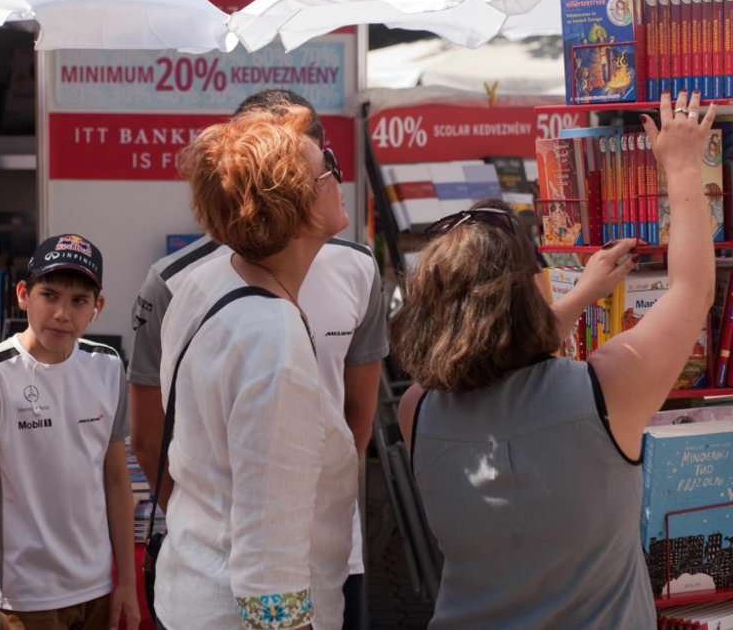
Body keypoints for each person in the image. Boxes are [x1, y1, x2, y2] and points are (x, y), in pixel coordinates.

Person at [392, 90, 716, 629]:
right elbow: (692, 288)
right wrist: (682, 165)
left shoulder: (417, 411)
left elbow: (491, 357)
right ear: (529, 290)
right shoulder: (606, 390)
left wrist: (581, 296)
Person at [129, 89, 386, 629]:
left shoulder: (201, 286)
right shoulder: (275, 342)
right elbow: (270, 569)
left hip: (192, 589)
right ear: (295, 207)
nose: (339, 175)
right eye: (327, 168)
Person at [0, 234, 139, 630]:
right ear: (23, 294)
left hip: (97, 589)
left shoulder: (107, 366)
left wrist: (127, 584)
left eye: (78, 301)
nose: (61, 313)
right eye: (49, 295)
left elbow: (118, 481)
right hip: (21, 598)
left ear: (97, 308)